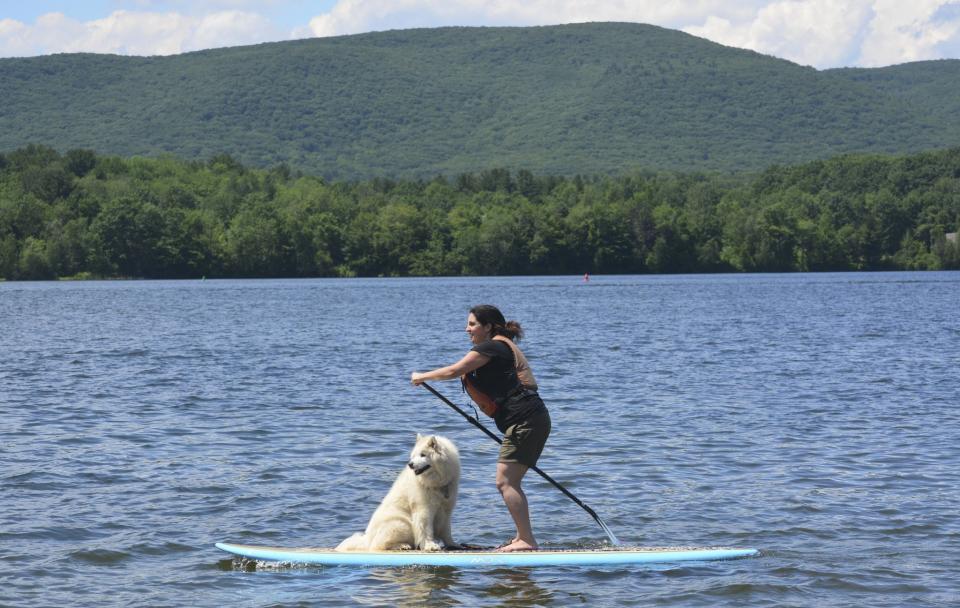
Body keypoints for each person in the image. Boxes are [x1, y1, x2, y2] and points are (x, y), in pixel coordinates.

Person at [411, 304, 551, 552]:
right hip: (529, 419)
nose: (467, 329)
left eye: (472, 324)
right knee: (508, 481)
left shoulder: (492, 347)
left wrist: (423, 376)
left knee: (506, 482)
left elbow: (455, 370)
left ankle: (526, 540)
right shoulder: (498, 346)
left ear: (488, 327)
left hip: (525, 421)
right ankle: (524, 538)